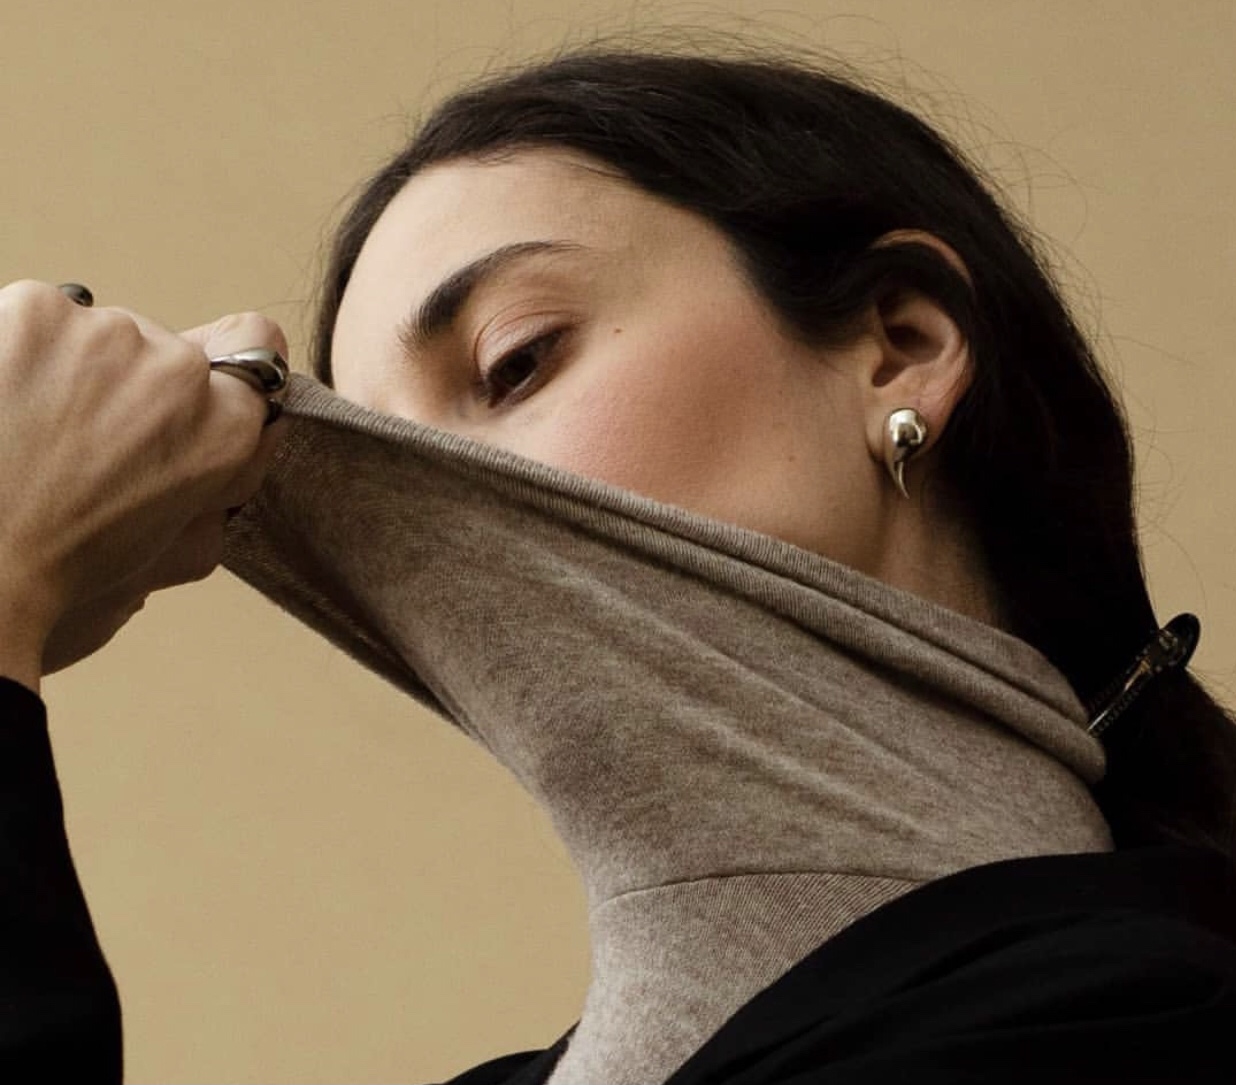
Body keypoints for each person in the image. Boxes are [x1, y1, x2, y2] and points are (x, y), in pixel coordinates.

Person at [2, 47, 1236, 1083]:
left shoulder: (1144, 1019)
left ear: (900, 344)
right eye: (382, 461)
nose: (443, 494)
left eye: (517, 361)